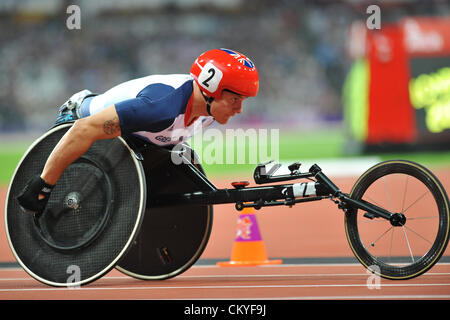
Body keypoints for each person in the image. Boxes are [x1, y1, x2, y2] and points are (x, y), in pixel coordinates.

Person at [16, 48, 259, 215]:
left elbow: (168, 143)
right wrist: (44, 184)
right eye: (235, 100)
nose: (239, 109)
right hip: (79, 119)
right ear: (211, 88)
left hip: (132, 136)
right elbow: (83, 129)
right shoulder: (160, 107)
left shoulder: (208, 114)